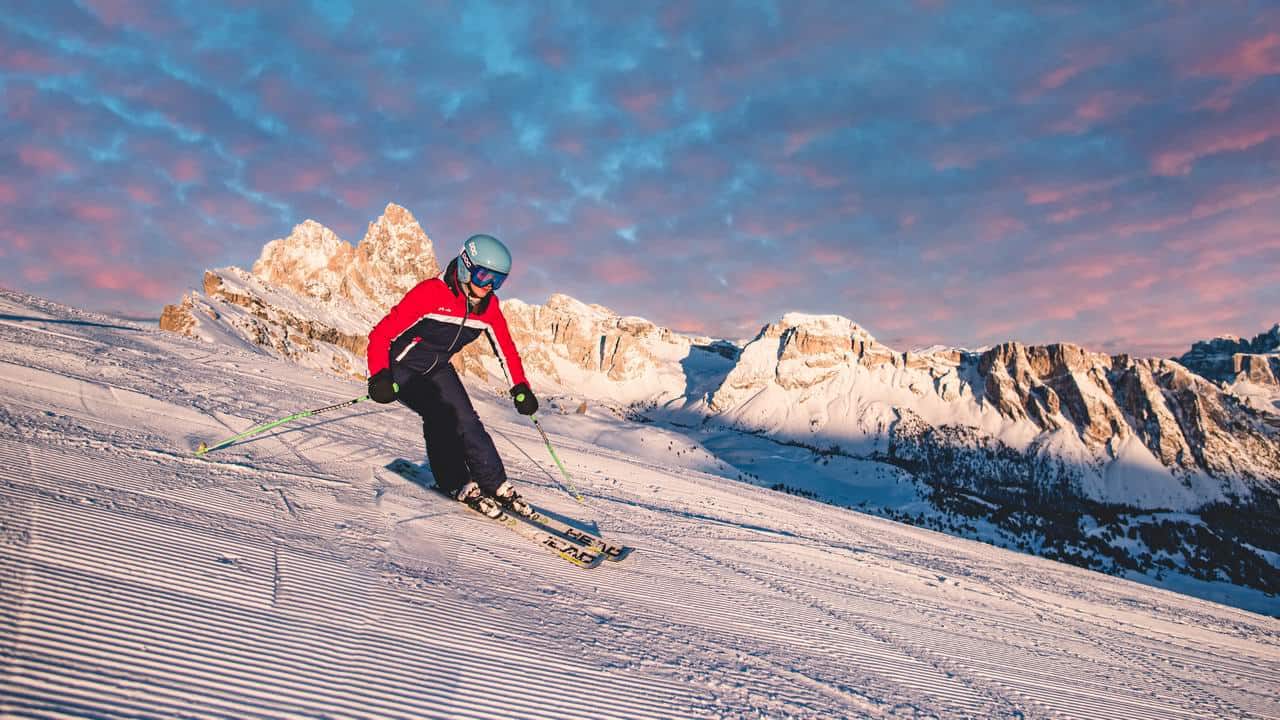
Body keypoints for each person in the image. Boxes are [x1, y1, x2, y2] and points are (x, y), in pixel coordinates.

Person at [365, 233, 539, 517]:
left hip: (437, 366)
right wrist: (379, 376)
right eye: (484, 276)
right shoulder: (430, 294)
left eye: (498, 280)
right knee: (440, 415)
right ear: (466, 266)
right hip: (400, 366)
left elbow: (506, 349)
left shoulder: (489, 308)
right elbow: (381, 334)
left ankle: (494, 483)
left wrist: (520, 387)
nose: (489, 286)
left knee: (467, 419)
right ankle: (455, 481)